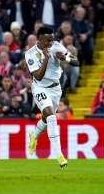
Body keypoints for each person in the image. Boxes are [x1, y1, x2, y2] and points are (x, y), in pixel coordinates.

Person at [25, 26, 79, 167]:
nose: (51, 43)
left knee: (45, 119)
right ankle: (59, 155)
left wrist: (66, 58)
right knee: (51, 117)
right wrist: (46, 59)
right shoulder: (30, 54)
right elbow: (38, 76)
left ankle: (34, 136)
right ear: (40, 39)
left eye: (52, 40)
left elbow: (76, 62)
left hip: (56, 89)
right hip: (40, 88)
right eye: (48, 40)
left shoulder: (56, 46)